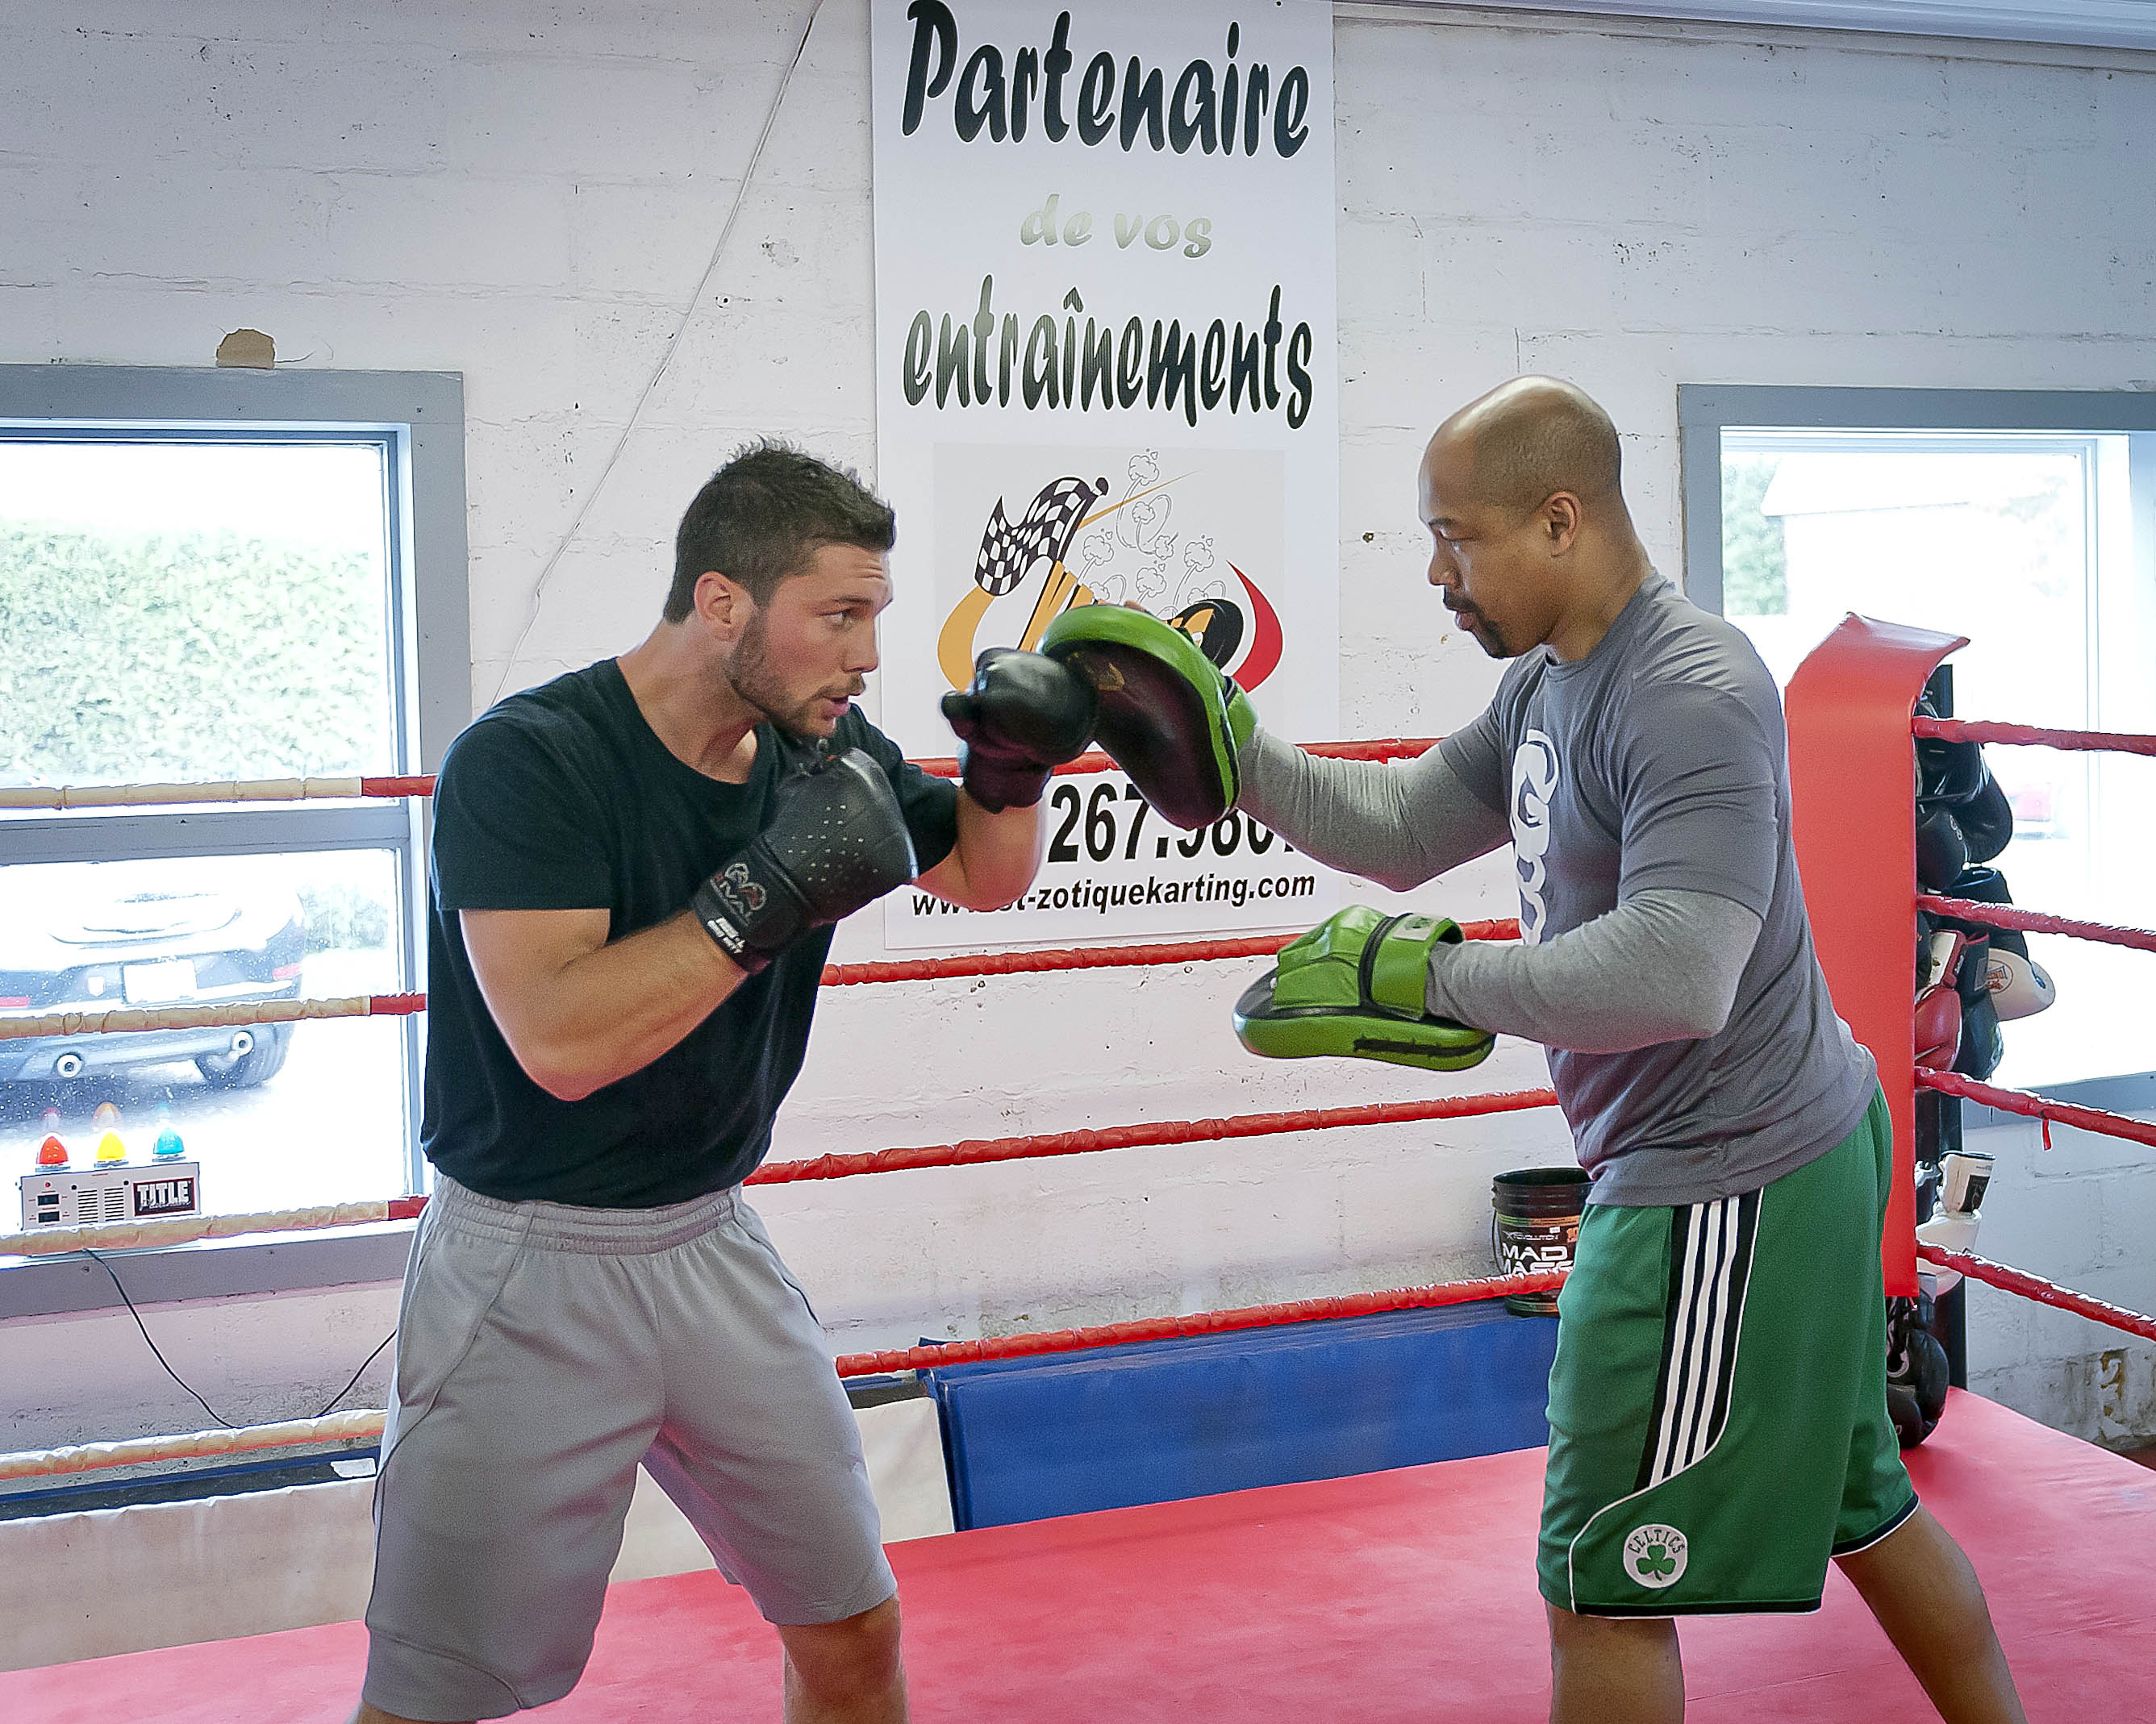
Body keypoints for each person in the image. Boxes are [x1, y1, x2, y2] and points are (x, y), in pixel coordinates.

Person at [1074, 378, 2029, 1724]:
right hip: (1775, 1145)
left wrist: (1438, 975)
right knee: (1861, 1503)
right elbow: (1404, 821)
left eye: (1457, 538)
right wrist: (1236, 749)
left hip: (1721, 1177)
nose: (1436, 573)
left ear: (1560, 519)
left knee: (1598, 1574)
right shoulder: (1547, 681)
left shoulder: (1688, 687)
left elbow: (1677, 969)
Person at [351, 443, 1095, 1724]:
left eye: (875, 617)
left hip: (709, 1244)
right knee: (438, 1692)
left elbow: (984, 874)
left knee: (850, 1624)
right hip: (529, 1263)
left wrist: (1011, 768)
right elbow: (562, 1041)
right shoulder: (530, 760)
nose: (866, 656)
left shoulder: (820, 749)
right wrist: (762, 897)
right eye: (840, 615)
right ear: (722, 602)